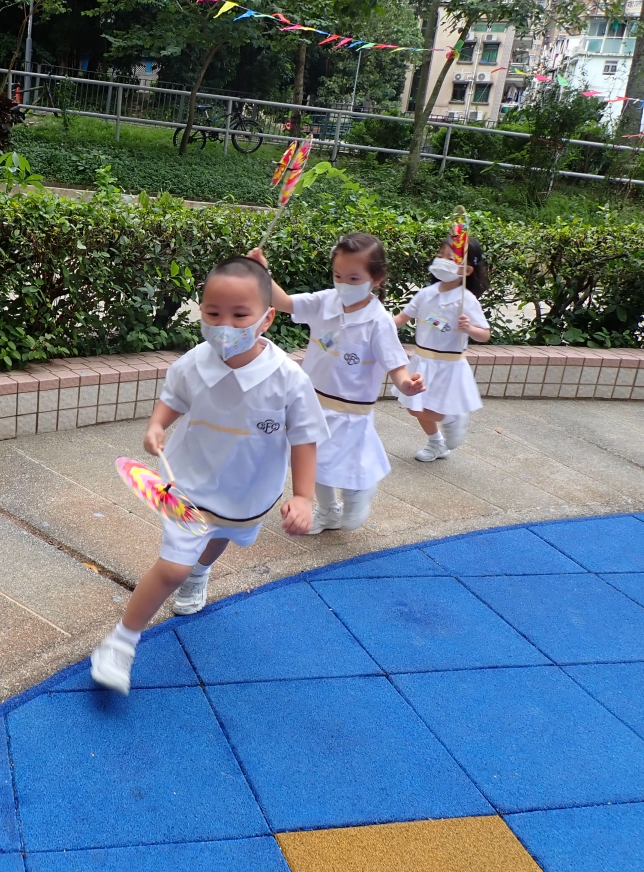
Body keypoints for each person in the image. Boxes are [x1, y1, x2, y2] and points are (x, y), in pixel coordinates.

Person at [89, 254, 328, 695]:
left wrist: (304, 496)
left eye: (240, 315)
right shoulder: (195, 361)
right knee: (171, 569)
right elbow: (174, 397)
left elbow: (305, 438)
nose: (224, 326)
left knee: (221, 537)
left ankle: (201, 572)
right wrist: (157, 426)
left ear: (267, 318)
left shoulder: (288, 379)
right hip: (189, 485)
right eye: (213, 313)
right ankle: (120, 643)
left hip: (247, 493)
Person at [265, 235, 425, 534]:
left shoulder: (379, 322)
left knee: (347, 464)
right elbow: (284, 302)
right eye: (338, 276)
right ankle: (328, 511)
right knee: (313, 464)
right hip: (312, 403)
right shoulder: (325, 301)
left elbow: (396, 365)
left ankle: (359, 489)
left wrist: (406, 384)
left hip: (351, 412)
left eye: (353, 278)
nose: (343, 284)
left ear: (376, 279)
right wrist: (262, 272)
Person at [394, 235, 491, 462]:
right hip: (422, 360)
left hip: (449, 365)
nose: (442, 260)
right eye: (440, 255)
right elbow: (400, 319)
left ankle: (452, 418)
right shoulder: (426, 294)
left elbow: (485, 334)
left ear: (467, 270)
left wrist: (469, 328)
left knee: (431, 409)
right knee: (413, 406)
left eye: (450, 258)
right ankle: (436, 442)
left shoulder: (465, 299)